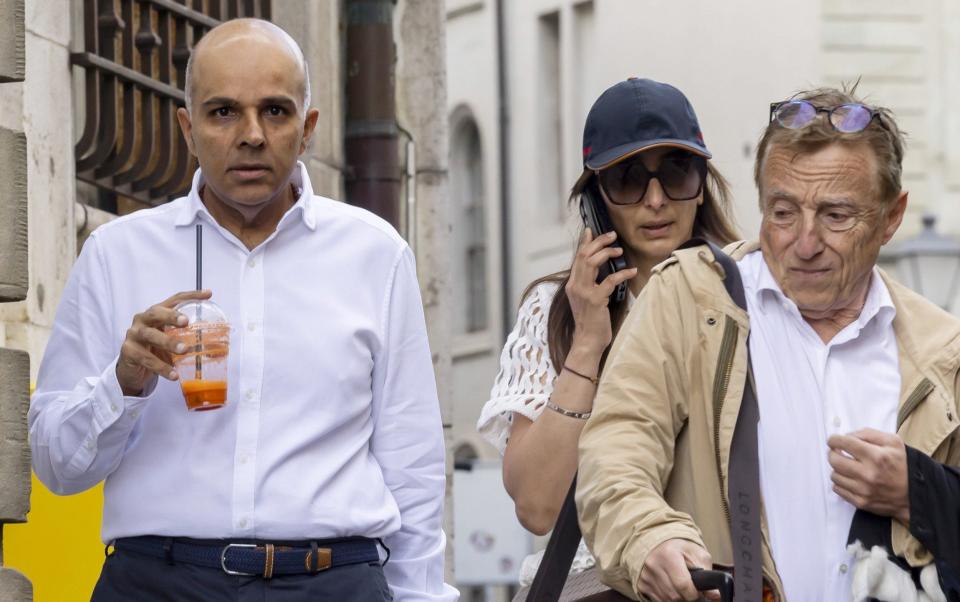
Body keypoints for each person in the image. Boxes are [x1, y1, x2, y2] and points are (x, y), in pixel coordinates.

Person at [29, 19, 457, 602]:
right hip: (158, 582)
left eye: (275, 112)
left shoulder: (375, 254)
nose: (251, 134)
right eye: (224, 111)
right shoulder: (116, 254)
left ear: (307, 129)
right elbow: (56, 467)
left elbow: (413, 464)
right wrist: (123, 385)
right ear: (187, 127)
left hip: (333, 583)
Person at [577, 85, 960, 601]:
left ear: (892, 217)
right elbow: (615, 450)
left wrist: (919, 492)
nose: (803, 243)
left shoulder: (943, 351)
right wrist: (649, 538)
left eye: (835, 216)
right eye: (782, 212)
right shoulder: (689, 297)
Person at [477, 78, 739, 586]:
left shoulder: (748, 295)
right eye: (628, 179)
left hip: (714, 580)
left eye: (676, 172)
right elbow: (538, 506)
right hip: (594, 584)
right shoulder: (553, 310)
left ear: (702, 181)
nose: (656, 200)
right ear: (596, 199)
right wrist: (589, 341)